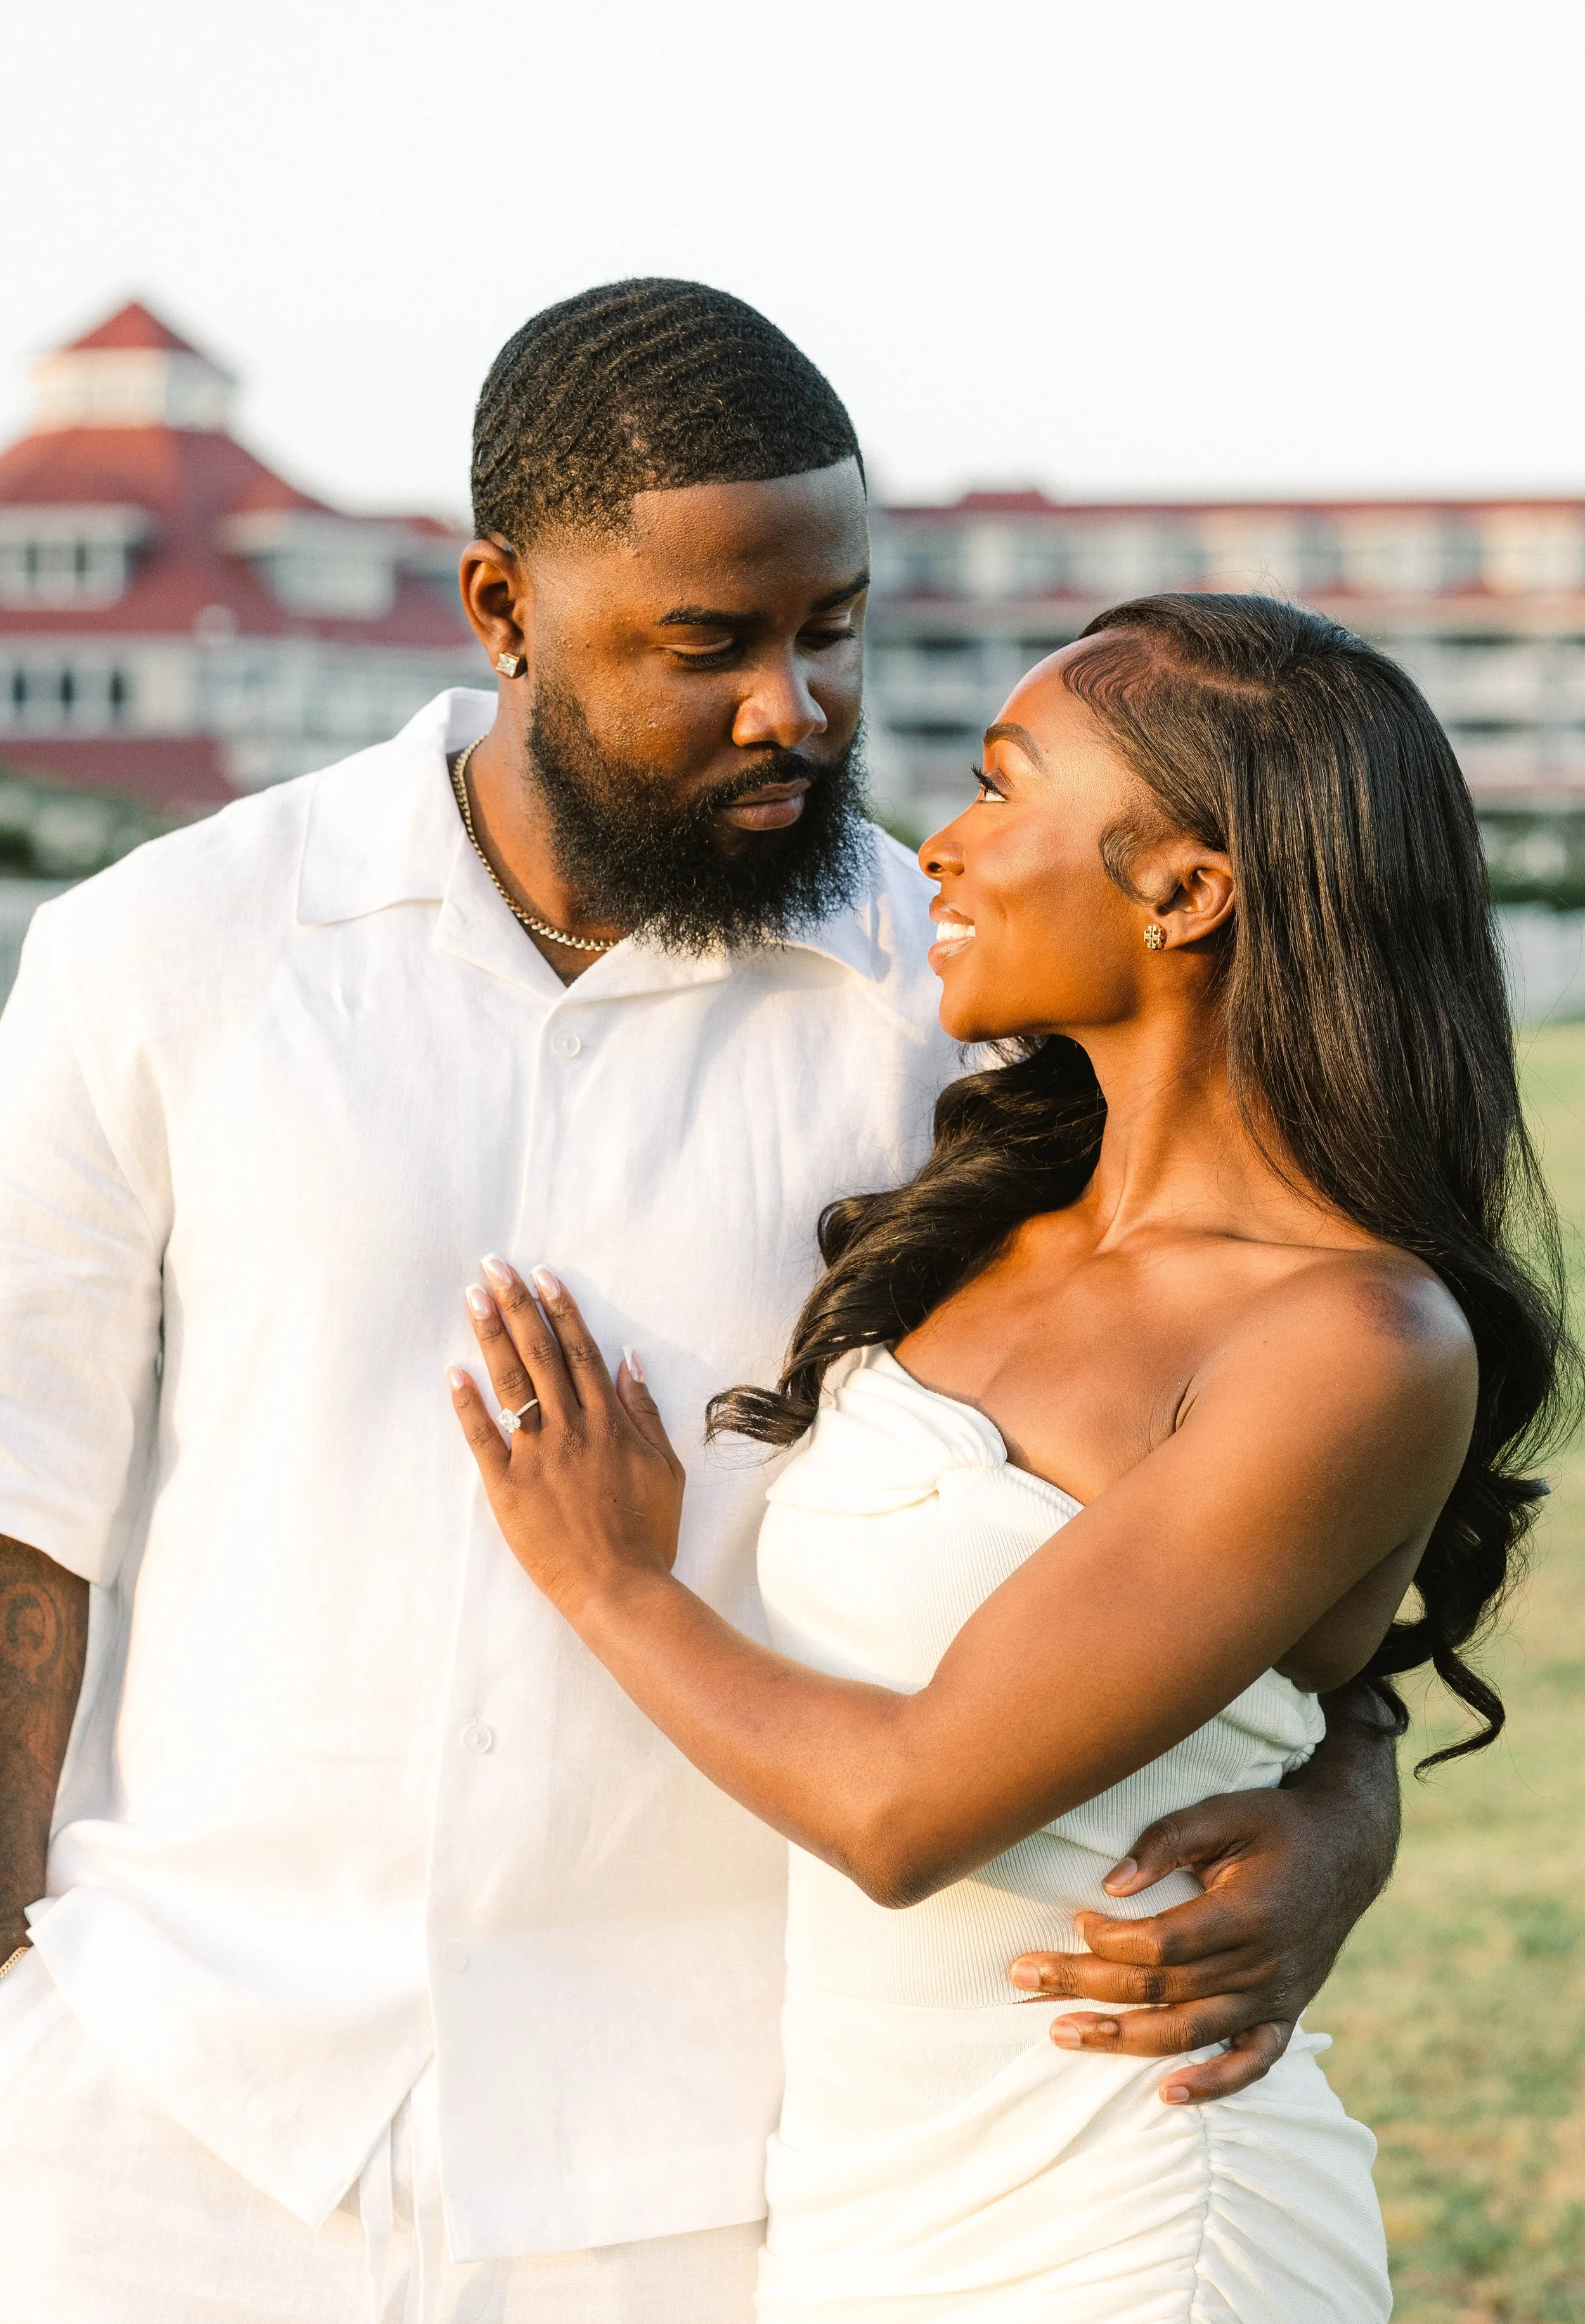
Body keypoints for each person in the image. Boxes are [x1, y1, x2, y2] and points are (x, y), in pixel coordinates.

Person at [0, 286, 1399, 2322]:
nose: (796, 709)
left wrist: (1341, 1799)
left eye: (829, 627)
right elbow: (20, 1515)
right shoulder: (167, 955)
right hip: (163, 2112)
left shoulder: (954, 1016)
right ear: (503, 607)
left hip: (696, 2164)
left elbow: (1271, 1420)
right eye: (709, 646)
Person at [448, 591, 1575, 2321]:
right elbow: (1271, 1690)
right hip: (851, 2213)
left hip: (1125, 2214)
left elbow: (905, 1812)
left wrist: (608, 1582)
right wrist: (1347, 1800)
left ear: (1185, 889)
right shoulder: (981, 1227)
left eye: (997, 787)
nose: (940, 849)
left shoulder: (1348, 1339)